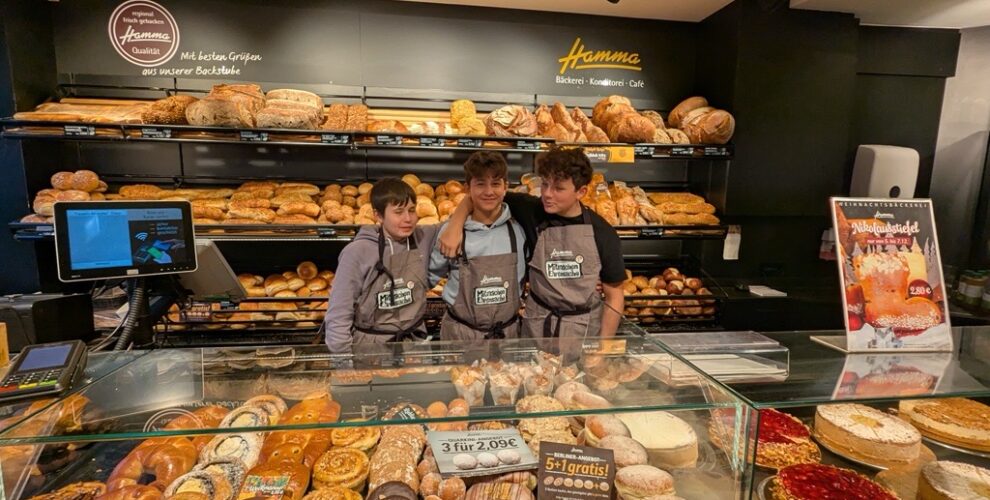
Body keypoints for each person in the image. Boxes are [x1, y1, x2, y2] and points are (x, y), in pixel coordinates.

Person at [442, 148, 625, 339]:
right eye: (545, 184)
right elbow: (483, 195)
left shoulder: (603, 233)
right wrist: (455, 225)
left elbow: (615, 296)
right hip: (537, 327)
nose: (547, 194)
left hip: (583, 329)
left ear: (581, 191)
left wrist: (603, 348)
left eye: (558, 188)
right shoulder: (530, 209)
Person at [323, 177, 468, 353]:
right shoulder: (358, 252)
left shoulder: (424, 237)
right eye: (398, 212)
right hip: (371, 348)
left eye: (412, 210)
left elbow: (453, 223)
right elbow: (339, 313)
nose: (408, 219)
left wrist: (466, 204)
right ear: (378, 215)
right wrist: (344, 360)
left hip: (415, 345)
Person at [428, 151, 527, 341]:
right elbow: (428, 278)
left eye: (496, 184)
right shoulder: (452, 233)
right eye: (480, 184)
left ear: (506, 187)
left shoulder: (519, 231)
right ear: (467, 188)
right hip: (460, 335)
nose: (489, 192)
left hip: (507, 336)